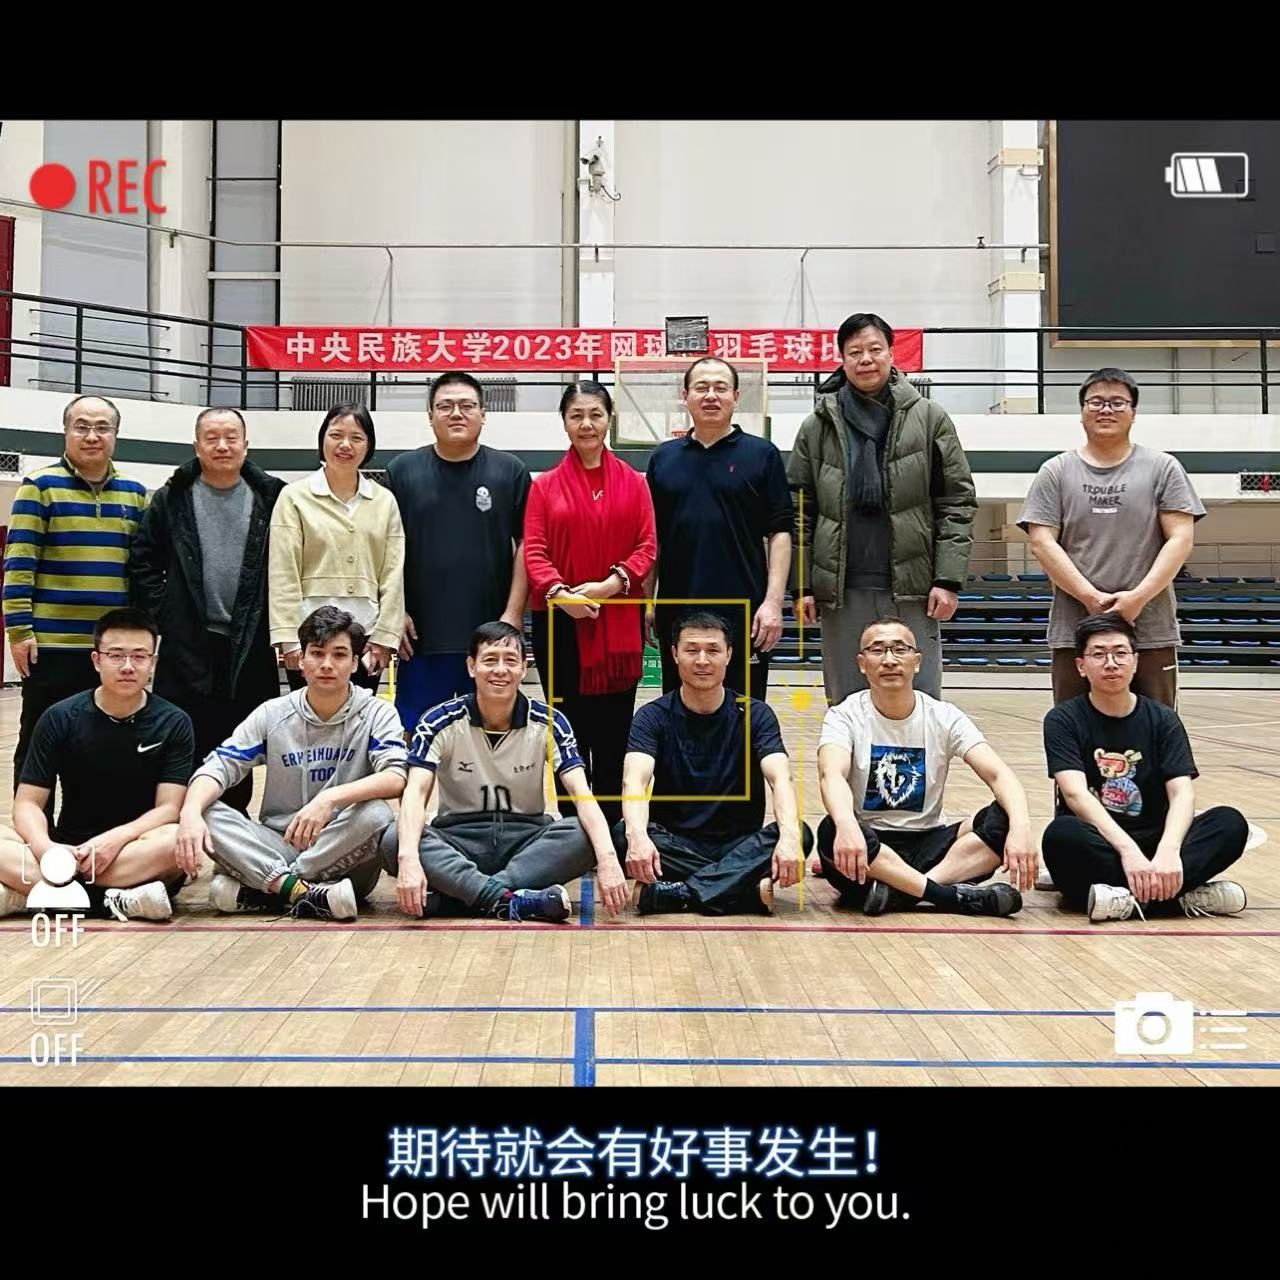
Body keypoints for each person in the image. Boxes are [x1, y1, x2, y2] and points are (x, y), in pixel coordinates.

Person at [383, 620, 626, 922]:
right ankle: (508, 899)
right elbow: (415, 794)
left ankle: (464, 899)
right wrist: (408, 859)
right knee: (394, 838)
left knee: (584, 835)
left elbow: (581, 794)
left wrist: (608, 859)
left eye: (510, 660)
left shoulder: (549, 722)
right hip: (458, 839)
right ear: (471, 666)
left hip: (526, 842)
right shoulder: (438, 720)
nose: (500, 670)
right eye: (490, 660)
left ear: (524, 668)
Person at [790, 314, 976, 705]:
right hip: (841, 590)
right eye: (854, 352)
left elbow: (956, 501)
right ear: (842, 359)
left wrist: (948, 579)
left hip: (913, 588)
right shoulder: (817, 426)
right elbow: (799, 509)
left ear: (892, 354)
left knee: (919, 700)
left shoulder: (929, 418)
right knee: (845, 701)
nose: (866, 359)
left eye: (875, 349)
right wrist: (802, 585)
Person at [176, 607, 407, 920]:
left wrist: (329, 799)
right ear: (301, 660)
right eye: (317, 653)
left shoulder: (377, 713)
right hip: (280, 842)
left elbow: (395, 776)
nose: (327, 664)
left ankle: (267, 887)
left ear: (355, 663)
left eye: (339, 654)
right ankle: (301, 893)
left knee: (377, 813)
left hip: (346, 855)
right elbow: (218, 767)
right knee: (204, 810)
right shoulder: (272, 714)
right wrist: (189, 813)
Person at [815, 616, 1033, 917]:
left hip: (930, 844)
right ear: (862, 663)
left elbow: (999, 774)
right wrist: (846, 825)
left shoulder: (943, 716)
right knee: (830, 829)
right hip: (869, 850)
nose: (889, 660)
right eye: (877, 650)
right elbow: (831, 774)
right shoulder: (844, 715)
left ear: (917, 662)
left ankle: (903, 893)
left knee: (1005, 817)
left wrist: (1022, 828)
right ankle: (946, 896)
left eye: (899, 649)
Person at [1041, 612, 1248, 922]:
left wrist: (1169, 851)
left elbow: (1181, 793)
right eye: (1098, 654)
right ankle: (1177, 897)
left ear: (1136, 661)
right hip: (1102, 843)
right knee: (1061, 835)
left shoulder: (1163, 719)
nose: (1111, 663)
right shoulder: (1063, 720)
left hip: (1156, 843)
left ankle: (1123, 899)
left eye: (1120, 653)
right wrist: (1128, 851)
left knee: (1229, 823)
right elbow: (1075, 795)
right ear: (1081, 666)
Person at [128, 407, 284, 815]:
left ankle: (231, 833)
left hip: (249, 644)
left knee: (241, 741)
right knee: (182, 738)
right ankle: (179, 829)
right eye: (212, 438)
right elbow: (143, 560)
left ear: (246, 445)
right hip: (187, 644)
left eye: (231, 437)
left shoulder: (273, 497)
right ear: (196, 445)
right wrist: (164, 613)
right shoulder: (173, 497)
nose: (222, 446)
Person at [1018, 367, 1204, 708]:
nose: (1106, 409)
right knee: (1074, 726)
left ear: (1134, 412)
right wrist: (1089, 598)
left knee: (1157, 725)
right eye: (1096, 402)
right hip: (1074, 628)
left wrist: (1137, 599)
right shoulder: (1055, 471)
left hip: (1150, 629)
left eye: (1118, 402)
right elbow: (1042, 542)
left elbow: (1180, 539)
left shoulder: (1163, 468)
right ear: (1081, 411)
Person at [0, 608, 193, 921]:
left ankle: (41, 894)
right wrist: (47, 849)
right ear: (96, 660)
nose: (128, 666)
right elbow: (27, 804)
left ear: (153, 663)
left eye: (139, 656)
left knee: (176, 840)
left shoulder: (173, 721)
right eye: (116, 655)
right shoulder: (60, 717)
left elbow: (168, 808)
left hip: (134, 850)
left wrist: (114, 840)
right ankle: (111, 901)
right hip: (67, 850)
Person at [615, 610, 811, 916]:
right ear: (674, 654)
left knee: (800, 833)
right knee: (621, 833)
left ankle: (680, 893)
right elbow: (634, 781)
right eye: (692, 650)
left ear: (729, 655)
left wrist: (788, 837)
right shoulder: (652, 716)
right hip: (674, 843)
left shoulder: (756, 714)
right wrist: (638, 837)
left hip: (739, 843)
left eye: (713, 650)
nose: (702, 660)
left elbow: (780, 779)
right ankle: (741, 889)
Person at [523, 381, 656, 826]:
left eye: (595, 414)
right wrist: (564, 596)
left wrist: (609, 586)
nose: (586, 424)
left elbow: (647, 546)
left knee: (615, 733)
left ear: (608, 419)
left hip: (617, 619)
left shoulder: (634, 483)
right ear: (564, 422)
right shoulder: (545, 487)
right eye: (576, 415)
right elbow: (534, 550)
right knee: (568, 732)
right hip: (560, 624)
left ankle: (614, 827)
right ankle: (571, 827)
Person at [4, 395, 148, 804]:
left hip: (112, 650)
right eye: (81, 426)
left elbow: (141, 572)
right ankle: (37, 833)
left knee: (99, 745)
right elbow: (19, 564)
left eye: (102, 427)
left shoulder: (135, 494)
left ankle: (85, 830)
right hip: (52, 646)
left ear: (115, 435)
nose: (91, 436)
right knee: (41, 741)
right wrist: (19, 631)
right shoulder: (39, 487)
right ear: (66, 432)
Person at [387, 373, 531, 732]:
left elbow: (527, 544)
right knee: (419, 737)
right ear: (430, 415)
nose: (456, 413)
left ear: (483, 414)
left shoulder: (510, 471)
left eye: (467, 406)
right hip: (420, 638)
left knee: (490, 734)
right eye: (445, 406)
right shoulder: (401, 471)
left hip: (490, 637)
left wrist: (513, 613)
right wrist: (395, 610)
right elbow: (387, 548)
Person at [646, 357, 791, 700]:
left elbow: (780, 532)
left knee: (743, 712)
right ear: (685, 396)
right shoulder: (663, 458)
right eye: (701, 387)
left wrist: (773, 603)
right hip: (677, 611)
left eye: (720, 387)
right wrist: (648, 603)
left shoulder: (763, 455)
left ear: (735, 396)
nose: (711, 395)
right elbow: (651, 539)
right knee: (679, 708)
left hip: (745, 613)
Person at [268, 403, 404, 695]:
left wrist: (384, 636)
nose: (345, 445)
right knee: (308, 714)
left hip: (365, 636)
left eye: (356, 437)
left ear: (368, 446)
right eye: (336, 435)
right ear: (322, 440)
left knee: (358, 714)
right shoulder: (294, 497)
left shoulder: (384, 502)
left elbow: (393, 574)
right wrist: (289, 638)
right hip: (309, 635)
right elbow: (282, 571)